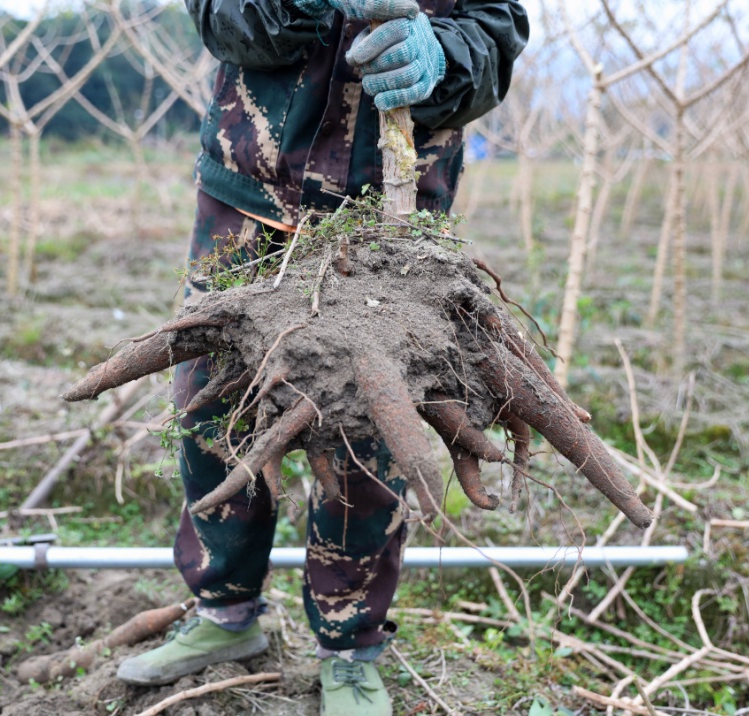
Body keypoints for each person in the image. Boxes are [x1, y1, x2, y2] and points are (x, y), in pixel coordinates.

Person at [117, 1, 528, 713]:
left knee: (368, 432)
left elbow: (495, 36)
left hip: (391, 218)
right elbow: (220, 17)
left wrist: (443, 58)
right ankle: (223, 613)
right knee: (214, 409)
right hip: (249, 201)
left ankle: (350, 645)